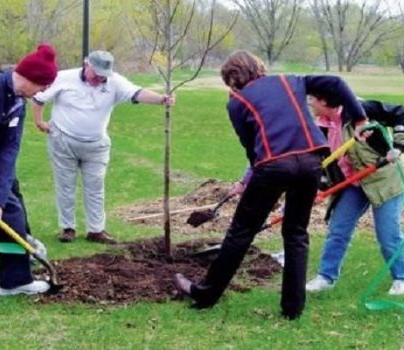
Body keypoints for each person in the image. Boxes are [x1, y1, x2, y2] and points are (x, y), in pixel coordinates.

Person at [173, 50, 367, 320]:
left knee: (241, 232)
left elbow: (252, 149)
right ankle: (293, 308)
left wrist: (257, 180)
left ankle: (205, 293)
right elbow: (335, 83)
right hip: (312, 162)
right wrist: (360, 119)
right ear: (258, 68)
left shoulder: (236, 103)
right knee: (296, 233)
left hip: (273, 166)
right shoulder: (290, 80)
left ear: (232, 80)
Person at [31, 50, 174, 244]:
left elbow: (137, 93)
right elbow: (39, 98)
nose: (99, 78)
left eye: (103, 75)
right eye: (96, 73)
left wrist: (161, 99)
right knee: (65, 186)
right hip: (63, 141)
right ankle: (68, 228)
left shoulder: (115, 81)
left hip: (96, 145)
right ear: (86, 64)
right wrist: (39, 122)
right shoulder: (64, 77)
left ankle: (96, 230)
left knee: (95, 187)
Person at [0, 43, 58, 315]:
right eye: (42, 86)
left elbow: (8, 151)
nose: (42, 92)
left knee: (12, 215)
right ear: (32, 78)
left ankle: (15, 281)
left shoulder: (18, 103)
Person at [306, 97, 404, 295]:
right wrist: (319, 188)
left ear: (325, 101)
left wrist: (399, 145)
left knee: (388, 235)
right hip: (353, 184)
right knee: (338, 230)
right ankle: (326, 277)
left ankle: (401, 278)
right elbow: (322, 161)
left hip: (383, 180)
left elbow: (401, 112)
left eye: (312, 100)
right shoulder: (320, 126)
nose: (309, 103)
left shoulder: (361, 110)